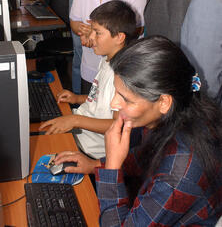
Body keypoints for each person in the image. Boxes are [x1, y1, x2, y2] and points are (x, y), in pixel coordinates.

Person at [54, 36, 222, 226]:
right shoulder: (170, 119)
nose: (113, 104)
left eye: (126, 99)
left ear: (164, 102)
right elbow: (145, 156)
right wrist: (94, 165)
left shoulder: (179, 173)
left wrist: (112, 168)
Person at [39, 0, 137, 159]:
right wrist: (77, 98)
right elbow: (100, 100)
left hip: (89, 150)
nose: (91, 37)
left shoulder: (124, 75)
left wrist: (75, 120)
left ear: (119, 37)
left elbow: (117, 125)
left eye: (97, 33)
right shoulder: (107, 59)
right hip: (79, 131)